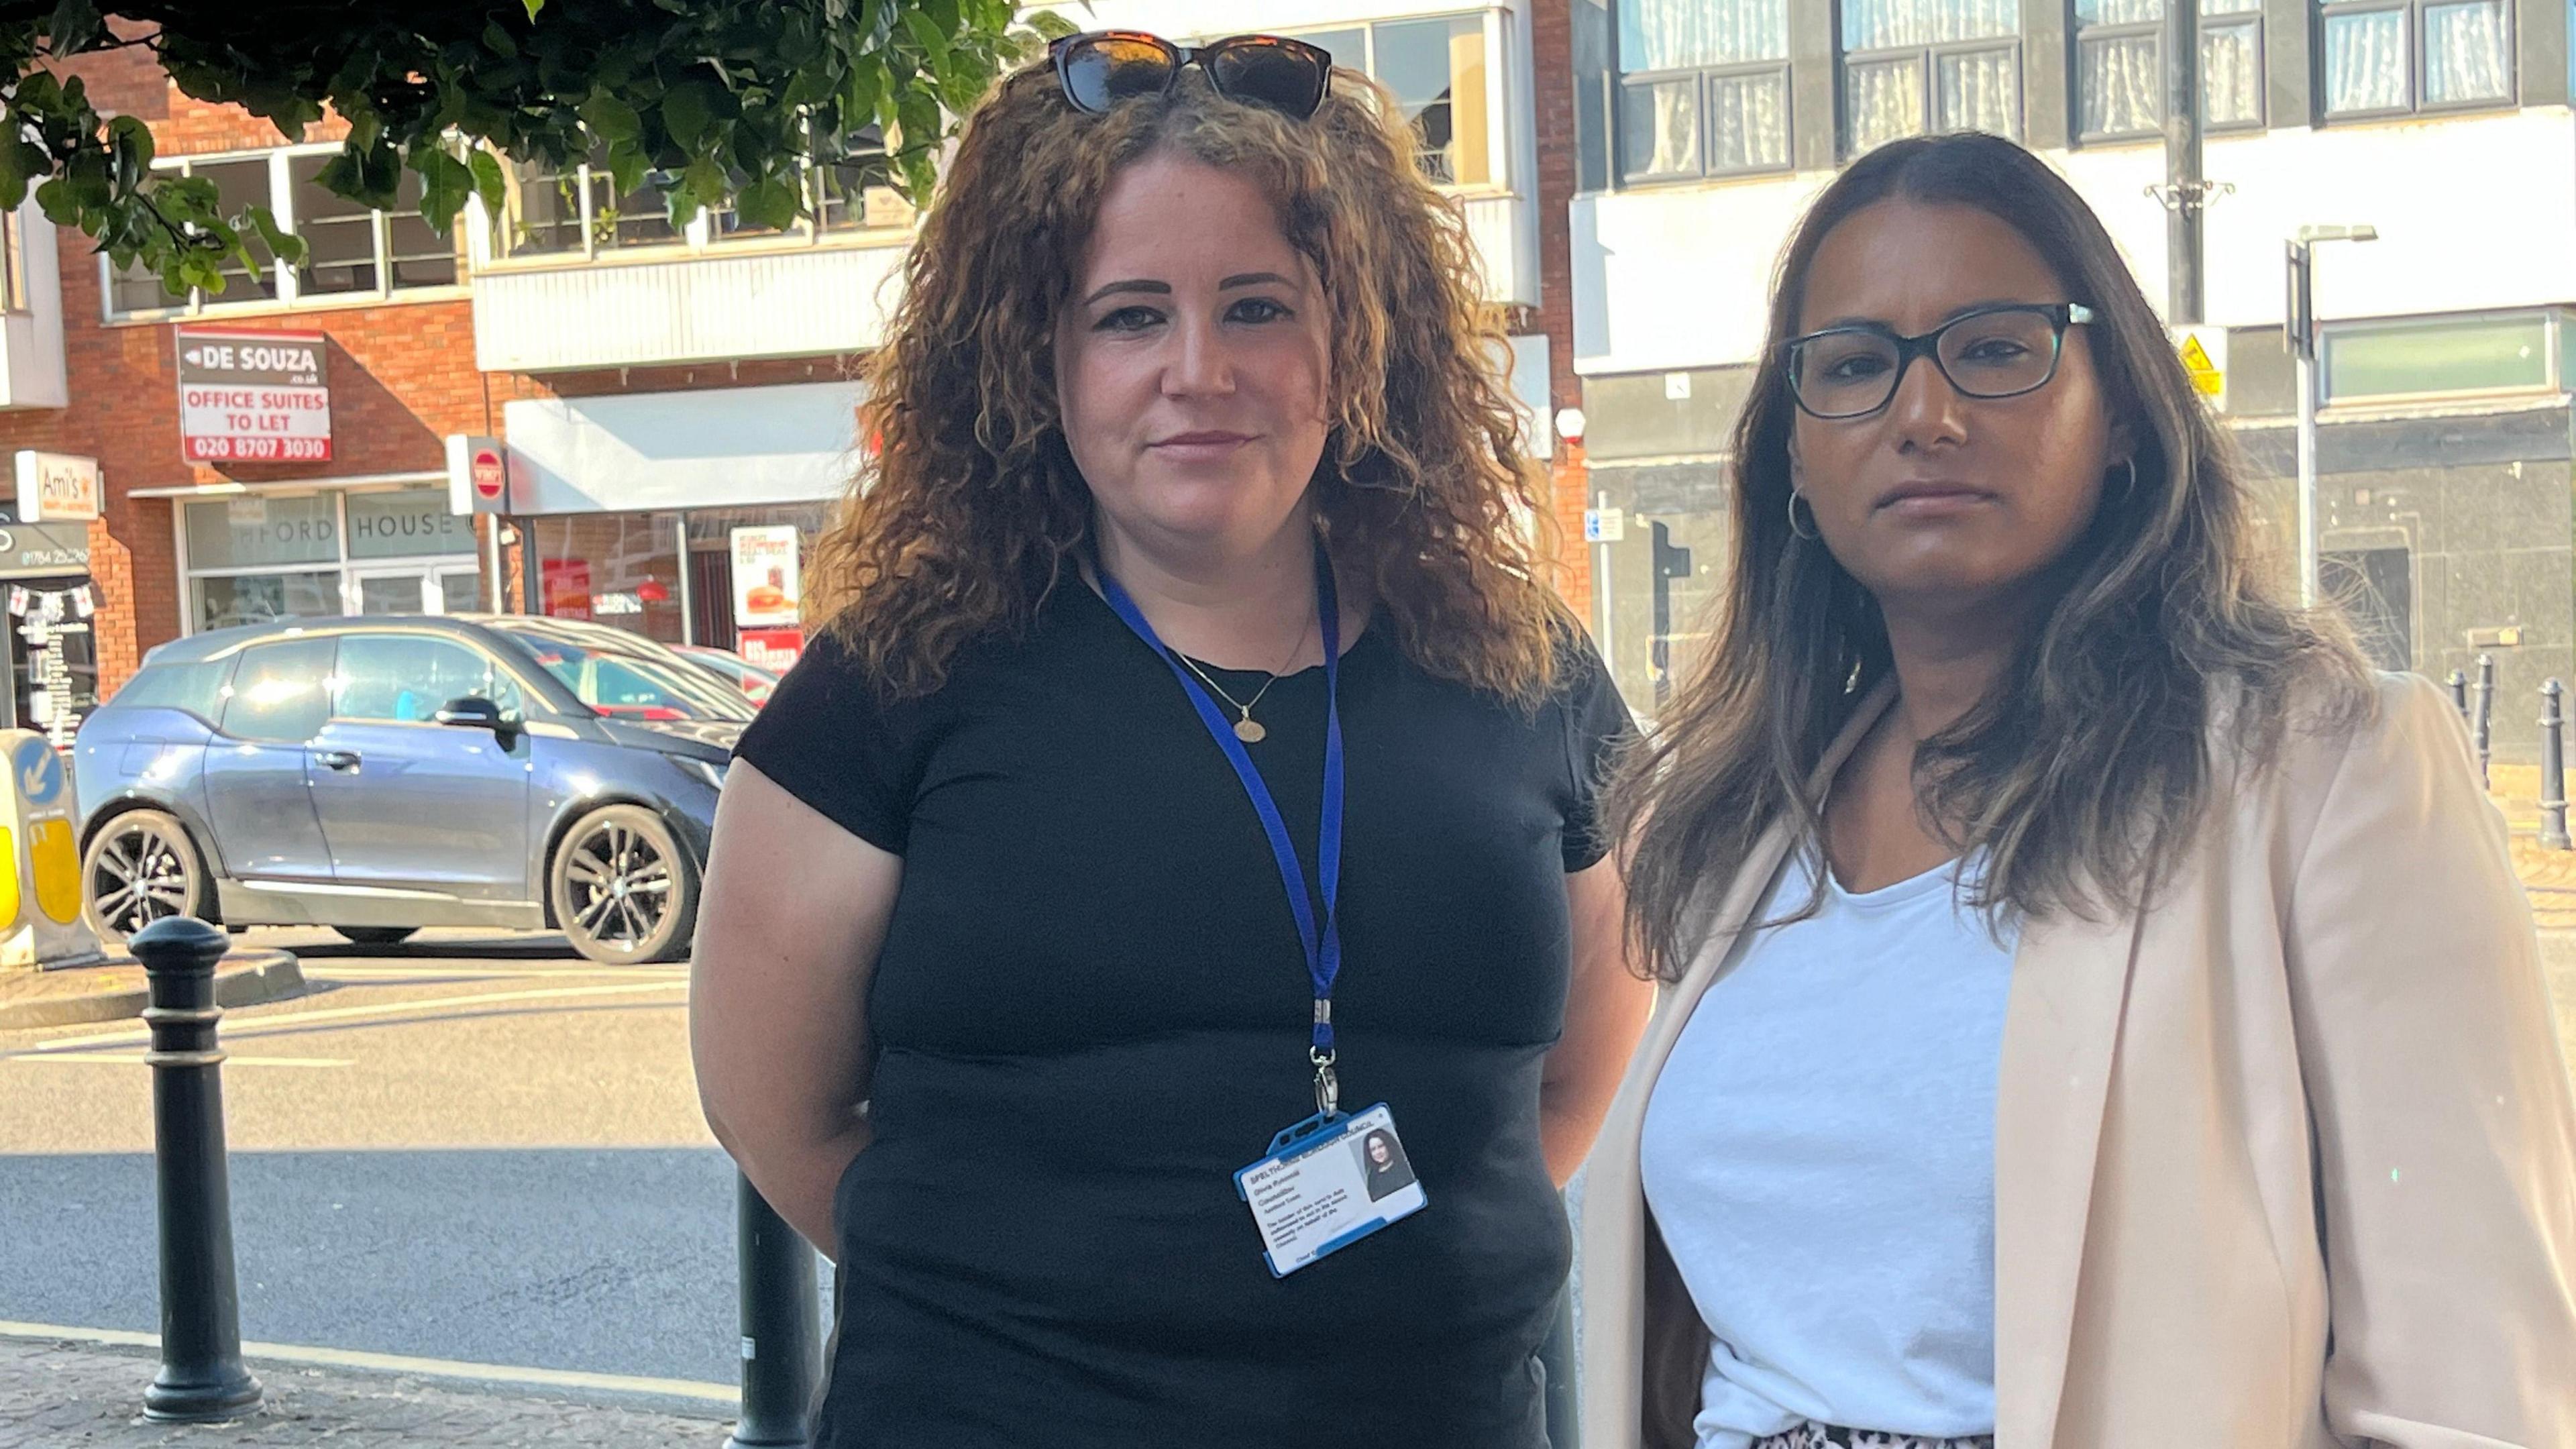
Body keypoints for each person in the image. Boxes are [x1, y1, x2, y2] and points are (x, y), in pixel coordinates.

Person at [689, 32, 1651, 1448]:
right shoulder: (898, 677)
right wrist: (1051, 1310)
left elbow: (1563, 1088)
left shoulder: (1521, 664)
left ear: (1361, 333)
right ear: (1038, 356)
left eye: (1258, 308)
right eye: (1130, 316)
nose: (1198, 371)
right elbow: (775, 1114)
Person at [1577, 131, 2576, 1449]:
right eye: (1857, 366)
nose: (1922, 414)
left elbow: (2472, 1389)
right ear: (1796, 467)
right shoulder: (1728, 827)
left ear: (2119, 416)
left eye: (1996, 348)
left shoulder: (2327, 772)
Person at [1360, 1127, 1417, 1201]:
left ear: (1389, 1145)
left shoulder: (1405, 1167)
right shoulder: (1372, 1178)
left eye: (1381, 1146)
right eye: (1373, 1149)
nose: (1378, 1152)